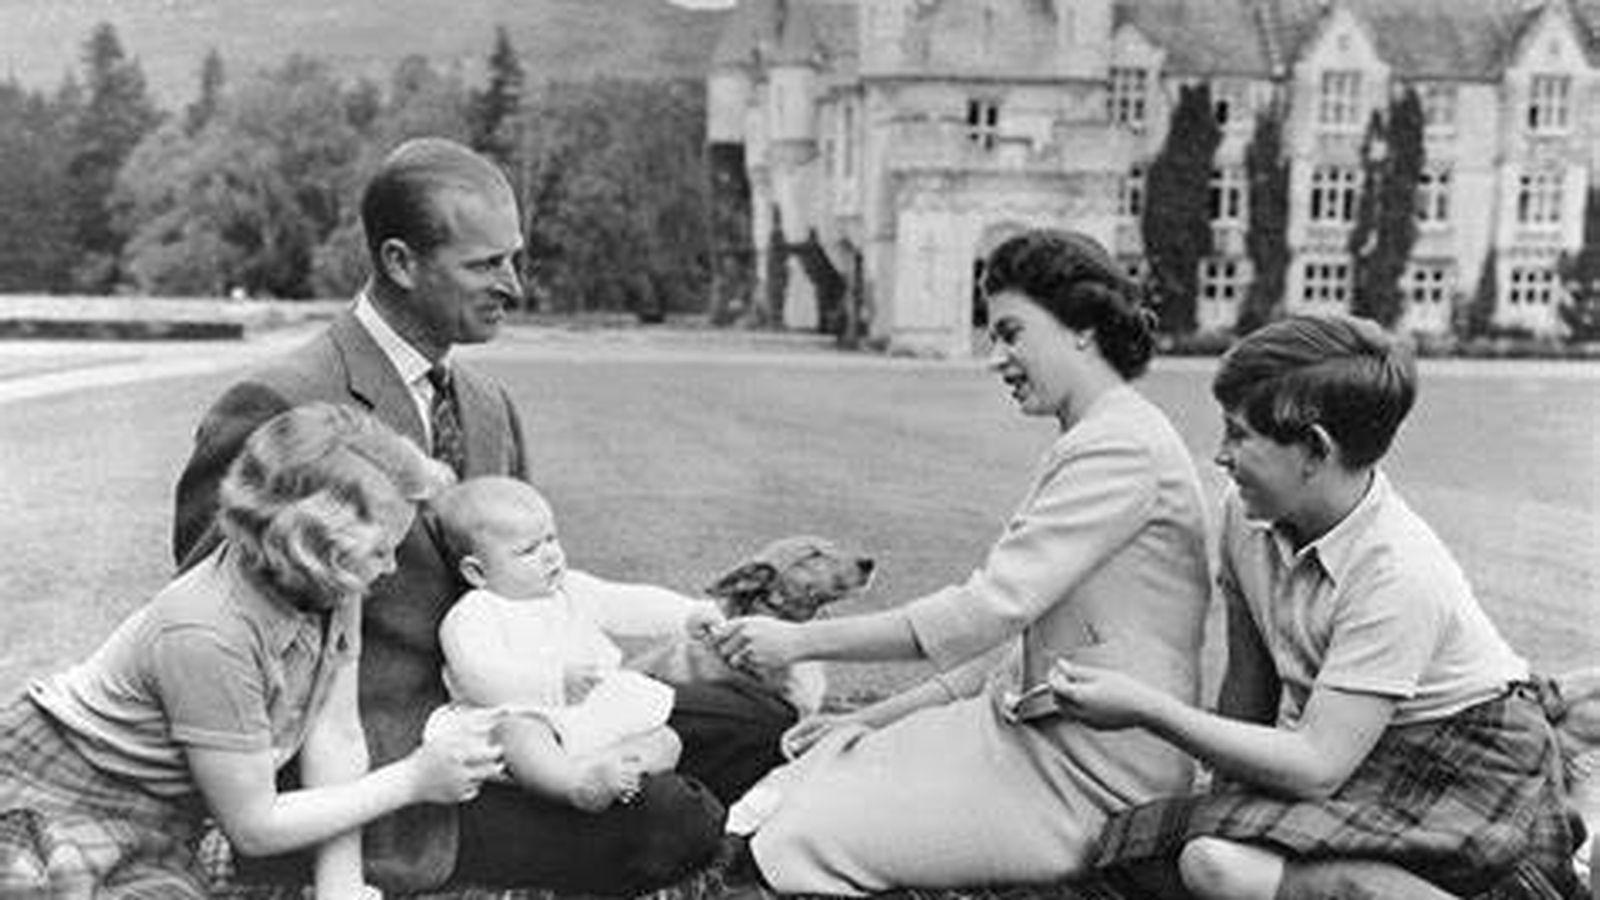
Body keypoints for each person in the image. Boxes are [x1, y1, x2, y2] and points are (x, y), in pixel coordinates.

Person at [172, 137, 791, 895]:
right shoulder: (281, 403)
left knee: (758, 718)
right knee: (672, 820)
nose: (515, 286)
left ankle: (616, 791)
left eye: (515, 259)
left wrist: (583, 699)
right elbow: (213, 631)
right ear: (400, 262)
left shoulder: (487, 405)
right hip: (387, 767)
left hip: (520, 717)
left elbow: (531, 587)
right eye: (486, 265)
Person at [708, 228, 1213, 894]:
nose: (995, 358)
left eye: (1011, 333)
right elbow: (1012, 646)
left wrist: (799, 641)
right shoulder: (1099, 435)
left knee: (804, 836)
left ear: (1083, 329)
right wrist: (868, 718)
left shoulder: (1120, 449)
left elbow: (986, 612)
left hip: (1092, 776)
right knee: (819, 770)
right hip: (1029, 739)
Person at [1055, 314, 1583, 899]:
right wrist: (1222, 805)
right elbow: (1250, 685)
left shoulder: (1398, 571)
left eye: (1238, 435)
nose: (1221, 455)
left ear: (1314, 449)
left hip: (1464, 761)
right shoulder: (1245, 515)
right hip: (1352, 746)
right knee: (1136, 850)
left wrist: (1148, 709)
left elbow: (1316, 767)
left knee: (1213, 865)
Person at [0, 403, 502, 899]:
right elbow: (255, 827)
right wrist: (413, 779)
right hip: (63, 793)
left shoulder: (331, 581)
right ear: (311, 547)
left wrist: (341, 886)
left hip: (166, 811)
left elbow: (336, 734)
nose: (391, 567)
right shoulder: (208, 632)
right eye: (380, 550)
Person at [429, 476, 721, 813]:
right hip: (520, 711)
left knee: (665, 740)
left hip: (585, 712)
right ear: (477, 572)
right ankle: (575, 786)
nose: (550, 555)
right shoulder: (475, 614)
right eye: (528, 551)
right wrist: (553, 683)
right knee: (517, 735)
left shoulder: (570, 589)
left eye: (550, 539)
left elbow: (626, 603)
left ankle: (608, 770)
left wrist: (686, 613)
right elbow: (478, 677)